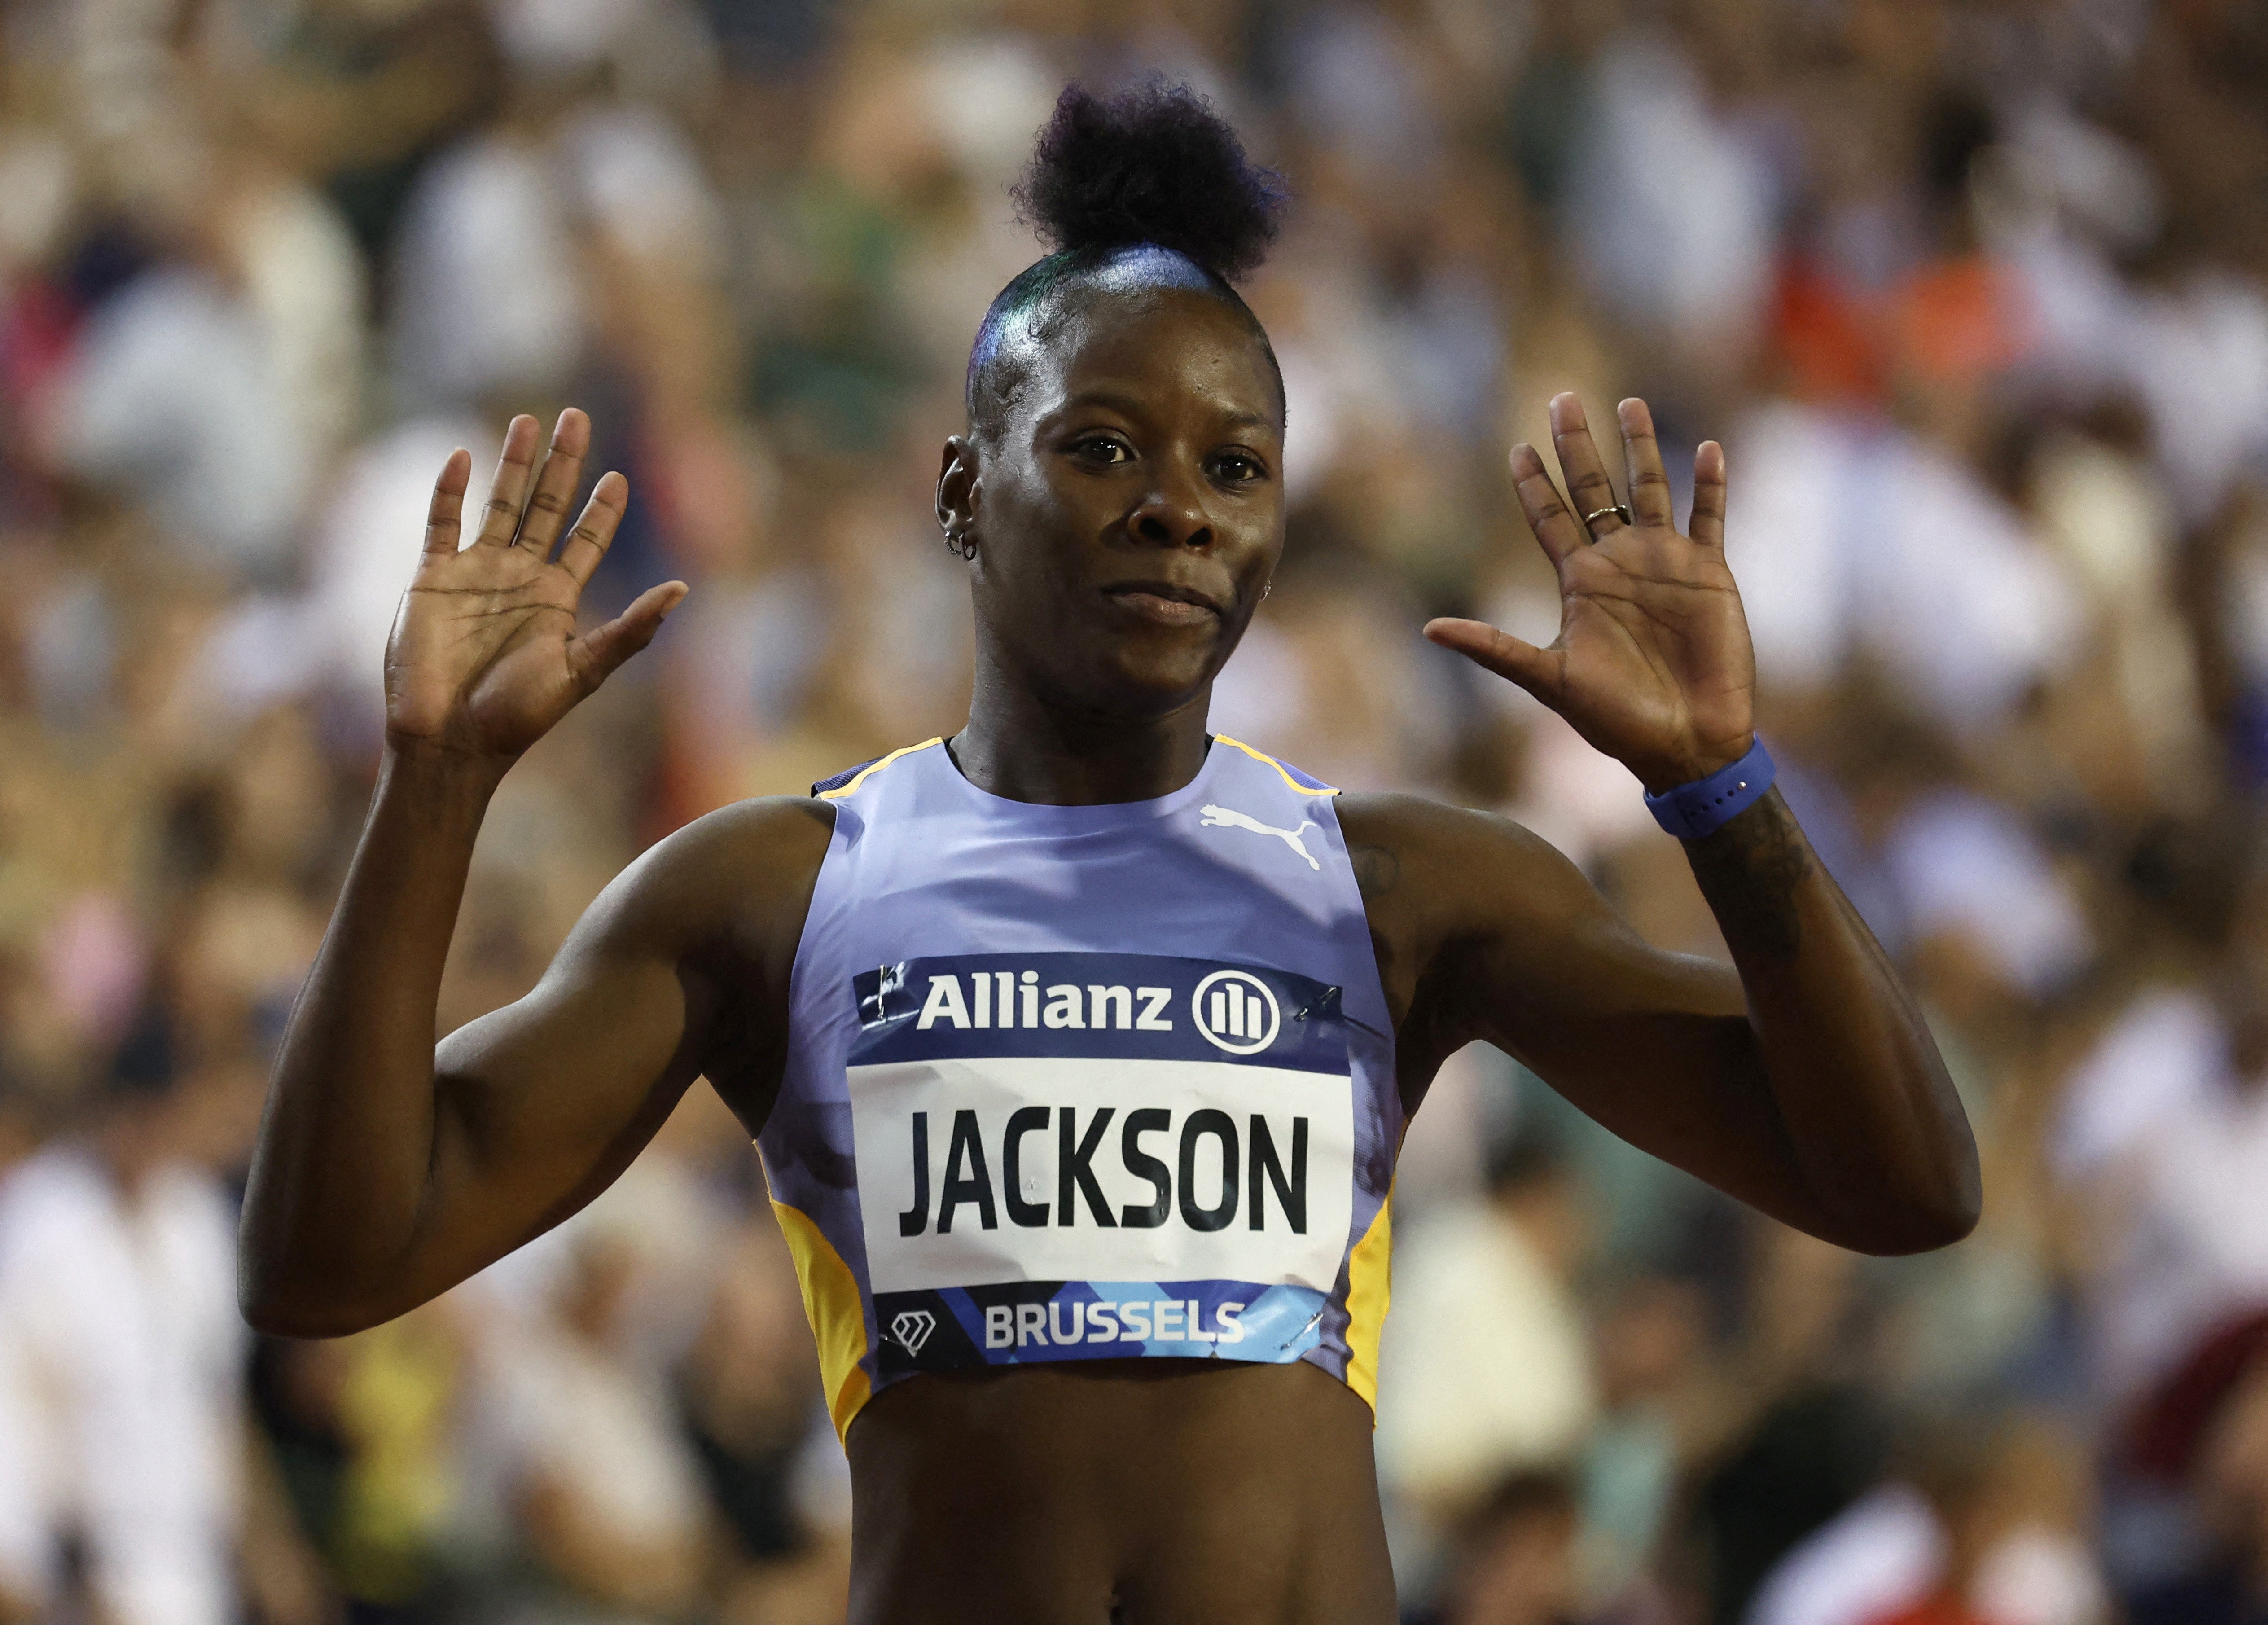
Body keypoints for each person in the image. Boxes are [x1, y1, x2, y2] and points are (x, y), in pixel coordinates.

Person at [240, 83, 1979, 1622]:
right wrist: (433, 792)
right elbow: (326, 1257)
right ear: (955, 487)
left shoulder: (1396, 892)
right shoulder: (775, 895)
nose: (1178, 505)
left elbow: (1902, 1185)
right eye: (1099, 446)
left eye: (1236, 465)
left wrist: (1727, 790)